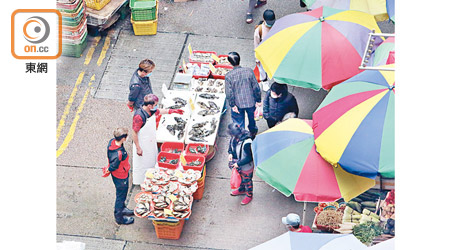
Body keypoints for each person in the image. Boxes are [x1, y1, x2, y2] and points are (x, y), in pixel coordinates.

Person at [131, 94, 184, 185]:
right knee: (142, 164)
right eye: (155, 105)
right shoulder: (139, 116)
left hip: (150, 141)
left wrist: (172, 111)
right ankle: (141, 181)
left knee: (151, 160)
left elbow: (159, 111)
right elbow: (134, 133)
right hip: (142, 143)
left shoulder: (151, 110)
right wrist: (138, 147)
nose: (156, 106)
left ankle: (152, 178)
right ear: (149, 106)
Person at [225, 52, 262, 139]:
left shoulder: (229, 76)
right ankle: (253, 133)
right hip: (251, 102)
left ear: (230, 63)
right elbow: (256, 87)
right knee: (252, 119)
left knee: (239, 123)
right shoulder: (249, 71)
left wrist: (233, 105)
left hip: (238, 104)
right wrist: (258, 100)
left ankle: (241, 138)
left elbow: (229, 93)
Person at [105, 127, 134, 225]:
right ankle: (119, 218)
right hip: (121, 176)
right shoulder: (119, 154)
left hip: (118, 175)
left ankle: (123, 208)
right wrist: (109, 169)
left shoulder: (112, 142)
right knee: (120, 196)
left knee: (122, 194)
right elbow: (113, 166)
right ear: (123, 138)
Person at [227, 123, 255, 205]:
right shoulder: (234, 138)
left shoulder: (247, 143)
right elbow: (230, 147)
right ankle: (242, 189)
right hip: (237, 164)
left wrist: (238, 163)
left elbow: (250, 158)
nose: (232, 137)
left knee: (247, 180)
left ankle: (249, 195)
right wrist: (230, 153)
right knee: (240, 178)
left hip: (246, 166)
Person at [254, 9, 275, 92]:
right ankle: (264, 82)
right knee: (262, 70)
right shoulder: (259, 30)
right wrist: (257, 58)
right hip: (263, 54)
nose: (271, 24)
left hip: (274, 52)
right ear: (264, 19)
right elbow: (256, 45)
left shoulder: (277, 25)